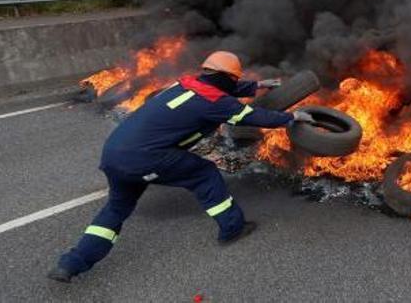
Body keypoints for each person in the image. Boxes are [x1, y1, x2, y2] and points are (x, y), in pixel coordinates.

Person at [48, 51, 314, 283]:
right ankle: (232, 228)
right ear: (227, 78)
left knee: (116, 209)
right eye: (233, 80)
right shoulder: (216, 103)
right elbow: (252, 116)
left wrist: (256, 86)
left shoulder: (186, 84)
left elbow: (218, 89)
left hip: (114, 153)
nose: (233, 84)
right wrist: (292, 117)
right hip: (145, 158)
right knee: (203, 173)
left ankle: (70, 264)